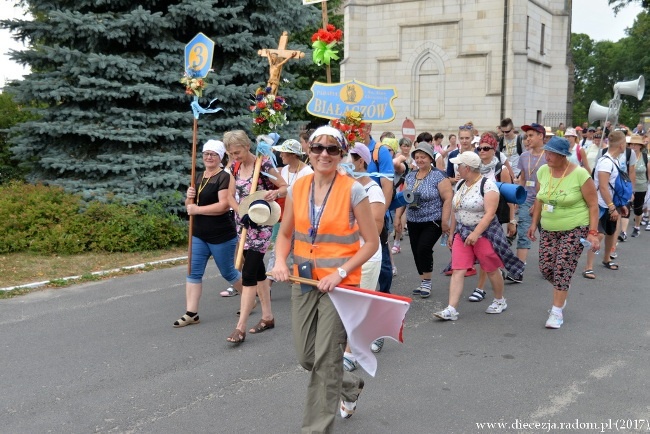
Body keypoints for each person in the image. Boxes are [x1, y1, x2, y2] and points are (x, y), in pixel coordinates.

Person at [270, 126, 377, 432]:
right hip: (303, 282)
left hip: (340, 287)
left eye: (332, 149)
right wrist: (279, 261)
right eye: (318, 148)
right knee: (307, 357)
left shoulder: (353, 189)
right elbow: (286, 233)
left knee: (326, 361)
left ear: (342, 154)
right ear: (309, 151)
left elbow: (370, 242)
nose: (324, 154)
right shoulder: (297, 188)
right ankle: (350, 385)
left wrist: (340, 273)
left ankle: (315, 429)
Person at [433, 152, 519, 321]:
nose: (456, 168)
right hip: (462, 232)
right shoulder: (460, 185)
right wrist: (452, 233)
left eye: (459, 165)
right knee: (458, 269)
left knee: (491, 269)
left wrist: (476, 233)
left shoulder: (488, 186)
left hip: (485, 234)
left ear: (468, 168)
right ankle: (451, 308)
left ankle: (500, 300)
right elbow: (456, 211)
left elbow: (489, 214)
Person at [526, 137, 600, 329]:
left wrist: (592, 232)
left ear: (562, 156)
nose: (546, 157)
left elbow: (593, 205)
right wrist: (534, 223)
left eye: (551, 153)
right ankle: (562, 287)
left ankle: (556, 312)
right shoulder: (543, 171)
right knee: (546, 268)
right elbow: (540, 198)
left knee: (561, 268)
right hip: (549, 228)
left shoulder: (580, 174)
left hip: (575, 227)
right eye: (546, 152)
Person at [223, 130, 287, 344]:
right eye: (231, 153)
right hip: (243, 224)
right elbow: (229, 196)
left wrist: (275, 194)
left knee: (249, 271)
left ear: (247, 146)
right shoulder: (234, 167)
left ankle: (239, 327)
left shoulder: (265, 164)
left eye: (238, 152)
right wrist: (240, 211)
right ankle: (268, 317)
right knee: (258, 270)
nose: (235, 156)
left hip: (261, 223)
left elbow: (285, 187)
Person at [173, 140, 243, 327]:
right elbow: (189, 207)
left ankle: (250, 296)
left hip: (221, 234)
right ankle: (191, 313)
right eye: (206, 154)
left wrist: (197, 209)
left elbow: (223, 206)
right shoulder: (197, 177)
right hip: (198, 234)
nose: (209, 157)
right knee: (193, 272)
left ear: (220, 157)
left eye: (213, 154)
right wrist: (188, 199)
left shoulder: (225, 177)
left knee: (228, 272)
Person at [342, 142, 386, 369]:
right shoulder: (344, 187)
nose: (343, 163)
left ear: (360, 161)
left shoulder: (373, 190)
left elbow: (376, 228)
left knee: (360, 302)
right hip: (345, 255)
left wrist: (346, 222)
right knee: (353, 302)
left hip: (367, 255)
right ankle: (375, 330)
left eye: (347, 158)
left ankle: (350, 354)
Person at [394, 142, 452, 298]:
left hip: (433, 220)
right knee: (416, 251)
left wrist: (445, 221)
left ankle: (427, 281)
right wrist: (398, 217)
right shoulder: (411, 176)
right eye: (417, 157)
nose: (420, 160)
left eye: (423, 157)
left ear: (430, 158)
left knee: (423, 248)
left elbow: (447, 199)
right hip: (413, 220)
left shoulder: (438, 176)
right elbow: (404, 198)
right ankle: (423, 281)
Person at [470, 133, 516, 302]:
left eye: (486, 148)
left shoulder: (500, 170)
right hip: (478, 215)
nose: (482, 151)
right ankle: (495, 271)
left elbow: (510, 197)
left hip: (496, 216)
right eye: (479, 148)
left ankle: (480, 288)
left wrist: (512, 221)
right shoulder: (474, 168)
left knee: (486, 252)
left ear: (493, 149)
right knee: (486, 252)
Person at [266, 139, 313, 277]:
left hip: (301, 215)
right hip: (284, 214)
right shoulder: (285, 169)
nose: (280, 156)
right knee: (278, 248)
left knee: (298, 250)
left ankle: (298, 279)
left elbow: (305, 194)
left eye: (283, 154)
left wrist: (281, 192)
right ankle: (270, 280)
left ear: (293, 155)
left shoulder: (307, 172)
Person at [591, 131, 631, 273]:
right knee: (598, 235)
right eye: (625, 144)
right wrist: (611, 207)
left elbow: (612, 186)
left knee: (610, 232)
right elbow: (603, 187)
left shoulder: (614, 161)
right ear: (621, 145)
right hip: (602, 205)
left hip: (610, 204)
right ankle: (588, 267)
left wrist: (619, 206)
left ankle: (606, 259)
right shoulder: (606, 162)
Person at [513, 123, 547, 281]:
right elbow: (523, 179)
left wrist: (539, 203)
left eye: (531, 135)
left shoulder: (550, 156)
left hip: (546, 203)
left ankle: (548, 266)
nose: (528, 139)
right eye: (527, 136)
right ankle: (518, 270)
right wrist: (518, 198)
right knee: (523, 234)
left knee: (547, 236)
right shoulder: (524, 156)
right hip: (526, 200)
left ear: (541, 136)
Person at [628, 135, 649, 237]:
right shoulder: (626, 156)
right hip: (628, 186)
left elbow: (648, 173)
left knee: (638, 207)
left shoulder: (645, 157)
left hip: (641, 186)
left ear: (641, 146)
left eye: (636, 144)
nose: (634, 146)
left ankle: (637, 227)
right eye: (632, 144)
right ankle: (623, 231)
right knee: (626, 207)